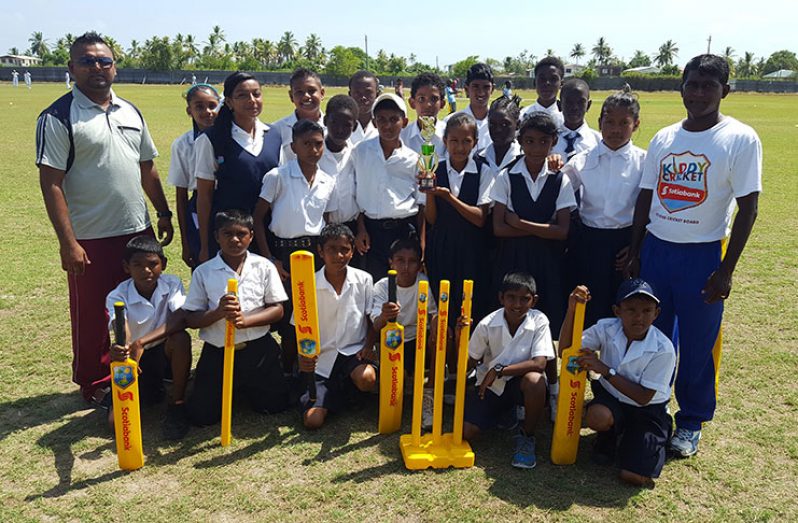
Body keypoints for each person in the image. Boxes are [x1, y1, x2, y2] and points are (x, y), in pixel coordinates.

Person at [626, 54, 761, 457]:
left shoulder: (739, 138)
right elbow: (646, 198)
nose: (699, 93)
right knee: (654, 336)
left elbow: (749, 207)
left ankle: (691, 421)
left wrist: (726, 270)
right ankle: (652, 410)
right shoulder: (665, 137)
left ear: (725, 91)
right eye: (692, 84)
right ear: (681, 86)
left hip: (702, 255)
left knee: (699, 344)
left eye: (709, 85)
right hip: (657, 250)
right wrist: (635, 251)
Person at [36, 31, 174, 403]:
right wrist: (68, 242)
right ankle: (95, 381)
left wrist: (162, 212)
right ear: (71, 68)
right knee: (94, 314)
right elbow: (51, 183)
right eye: (87, 61)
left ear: (114, 67)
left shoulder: (130, 110)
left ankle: (150, 370)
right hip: (91, 236)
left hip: (136, 228)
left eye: (103, 61)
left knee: (144, 303)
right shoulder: (58, 116)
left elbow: (148, 168)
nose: (96, 67)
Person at [490, 112, 576, 418]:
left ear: (553, 142)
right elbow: (498, 227)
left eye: (543, 141)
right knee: (513, 321)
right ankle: (514, 395)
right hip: (514, 259)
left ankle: (551, 391)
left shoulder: (560, 178)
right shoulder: (506, 175)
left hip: (548, 263)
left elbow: (563, 231)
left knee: (548, 324)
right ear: (520, 142)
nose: (536, 147)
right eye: (529, 141)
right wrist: (543, 227)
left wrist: (521, 222)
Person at [561, 281, 676, 488]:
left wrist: (604, 369)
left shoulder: (663, 348)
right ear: (617, 311)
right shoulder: (607, 327)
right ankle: (609, 436)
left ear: (656, 313)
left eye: (646, 310)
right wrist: (572, 311)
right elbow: (566, 350)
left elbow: (643, 397)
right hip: (612, 398)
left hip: (646, 410)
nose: (639, 317)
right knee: (597, 417)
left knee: (633, 477)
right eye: (631, 310)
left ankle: (652, 437)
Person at [184, 210, 289, 426]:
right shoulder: (203, 272)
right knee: (202, 417)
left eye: (241, 234)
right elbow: (191, 319)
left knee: (273, 406)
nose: (234, 239)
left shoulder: (264, 266)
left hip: (257, 347)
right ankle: (221, 389)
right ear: (216, 237)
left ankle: (245, 388)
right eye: (227, 233)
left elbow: (277, 309)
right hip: (219, 349)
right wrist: (217, 313)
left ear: (251, 236)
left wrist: (246, 320)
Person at [253, 119, 337, 373]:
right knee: (290, 313)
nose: (313, 150)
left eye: (319, 144)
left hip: (315, 253)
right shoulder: (278, 176)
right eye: (307, 144)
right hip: (284, 253)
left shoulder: (327, 180)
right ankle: (288, 368)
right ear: (294, 146)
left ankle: (311, 367)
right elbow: (258, 218)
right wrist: (270, 258)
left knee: (311, 312)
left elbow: (328, 221)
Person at [562, 87, 645, 326]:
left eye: (624, 123)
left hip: (625, 245)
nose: (615, 130)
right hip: (589, 244)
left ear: (636, 124)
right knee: (587, 309)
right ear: (599, 122)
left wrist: (635, 248)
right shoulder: (581, 160)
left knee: (622, 311)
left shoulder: (645, 162)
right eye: (609, 122)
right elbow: (557, 188)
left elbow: (653, 210)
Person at [461, 272, 554, 469]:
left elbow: (539, 363)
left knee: (535, 380)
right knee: (467, 432)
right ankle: (506, 413)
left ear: (534, 301)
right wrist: (460, 336)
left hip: (521, 383)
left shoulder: (539, 321)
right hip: (491, 386)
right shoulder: (487, 324)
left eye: (524, 299)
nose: (517, 305)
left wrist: (499, 369)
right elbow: (468, 362)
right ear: (501, 298)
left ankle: (527, 437)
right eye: (511, 297)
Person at [105, 236, 192, 440]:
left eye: (153, 264)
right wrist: (124, 347)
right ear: (126, 267)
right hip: (135, 360)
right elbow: (121, 328)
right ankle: (144, 391)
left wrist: (141, 342)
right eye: (138, 265)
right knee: (115, 425)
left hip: (162, 350)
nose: (146, 271)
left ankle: (177, 404)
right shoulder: (117, 295)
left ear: (163, 264)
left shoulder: (172, 283)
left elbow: (180, 318)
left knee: (181, 339)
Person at [194, 71, 281, 263]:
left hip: (267, 233)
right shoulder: (211, 139)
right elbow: (204, 196)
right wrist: (205, 244)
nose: (252, 100)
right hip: (230, 236)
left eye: (256, 94)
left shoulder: (274, 135)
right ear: (230, 102)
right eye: (242, 95)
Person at [297, 224, 377, 430]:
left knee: (367, 379)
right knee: (312, 421)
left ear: (352, 251)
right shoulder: (307, 284)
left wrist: (368, 346)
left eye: (345, 249)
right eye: (332, 249)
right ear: (320, 251)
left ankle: (347, 392)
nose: (338, 255)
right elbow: (299, 328)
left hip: (352, 354)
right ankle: (336, 396)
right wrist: (302, 358)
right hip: (321, 358)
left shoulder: (364, 279)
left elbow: (371, 319)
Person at [424, 112, 493, 328]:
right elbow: (432, 219)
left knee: (468, 306)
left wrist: (447, 197)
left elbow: (480, 218)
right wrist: (429, 193)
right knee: (444, 302)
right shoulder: (435, 169)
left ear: (475, 142)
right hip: (441, 247)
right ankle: (442, 354)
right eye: (454, 141)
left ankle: (466, 356)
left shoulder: (484, 171)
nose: (460, 147)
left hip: (472, 249)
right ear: (445, 141)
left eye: (466, 141)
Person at [352, 93, 424, 280]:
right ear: (374, 122)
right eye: (381, 120)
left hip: (403, 231)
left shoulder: (414, 159)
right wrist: (361, 229)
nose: (387, 126)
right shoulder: (361, 151)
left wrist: (422, 243)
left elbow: (421, 205)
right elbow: (356, 194)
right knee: (374, 284)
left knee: (403, 284)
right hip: (371, 232)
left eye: (394, 119)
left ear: (405, 121)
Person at [370, 237, 437, 428]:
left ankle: (428, 395)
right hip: (394, 341)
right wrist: (384, 315)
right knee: (395, 387)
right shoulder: (382, 286)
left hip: (419, 339)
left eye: (412, 261)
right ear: (391, 262)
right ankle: (395, 392)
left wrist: (434, 332)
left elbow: (434, 313)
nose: (406, 266)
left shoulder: (425, 283)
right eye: (400, 260)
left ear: (419, 264)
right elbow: (376, 326)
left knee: (441, 340)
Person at [167, 83, 221, 269]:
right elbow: (181, 196)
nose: (207, 111)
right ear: (189, 111)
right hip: (199, 209)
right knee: (204, 265)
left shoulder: (231, 139)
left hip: (228, 204)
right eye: (199, 106)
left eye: (212, 105)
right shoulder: (183, 145)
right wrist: (186, 243)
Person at [319, 94, 362, 267]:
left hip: (351, 230)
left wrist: (361, 230)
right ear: (324, 120)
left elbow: (361, 196)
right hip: (320, 231)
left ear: (355, 126)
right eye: (334, 122)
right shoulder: (313, 154)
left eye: (347, 125)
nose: (339, 129)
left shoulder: (357, 154)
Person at [272, 68, 326, 165]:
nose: (306, 96)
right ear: (291, 96)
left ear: (322, 93)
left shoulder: (335, 128)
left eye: (311, 90)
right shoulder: (277, 130)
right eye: (299, 92)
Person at [448, 63, 495, 150]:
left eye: (486, 87)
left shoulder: (499, 123)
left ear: (492, 89)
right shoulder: (451, 122)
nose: (481, 92)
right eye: (475, 86)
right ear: (466, 89)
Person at [552, 78, 601, 161]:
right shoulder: (549, 140)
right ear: (559, 105)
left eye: (581, 102)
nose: (574, 107)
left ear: (588, 105)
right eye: (569, 102)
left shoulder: (598, 141)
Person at [401, 72, 447, 153]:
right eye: (421, 99)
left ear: (442, 104)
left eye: (434, 99)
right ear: (412, 103)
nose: (428, 105)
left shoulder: (449, 134)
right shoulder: (402, 136)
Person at [480, 96, 522, 176]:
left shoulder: (525, 159)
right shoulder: (479, 159)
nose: (498, 130)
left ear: (518, 124)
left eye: (504, 124)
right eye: (492, 124)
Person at [520, 57, 565, 128]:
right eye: (542, 79)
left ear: (561, 84)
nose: (547, 83)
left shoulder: (566, 118)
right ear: (535, 83)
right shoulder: (523, 116)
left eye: (553, 79)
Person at [348, 70, 380, 144]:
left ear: (377, 95)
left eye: (368, 92)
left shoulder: (385, 125)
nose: (363, 97)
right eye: (357, 93)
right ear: (350, 95)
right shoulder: (340, 125)